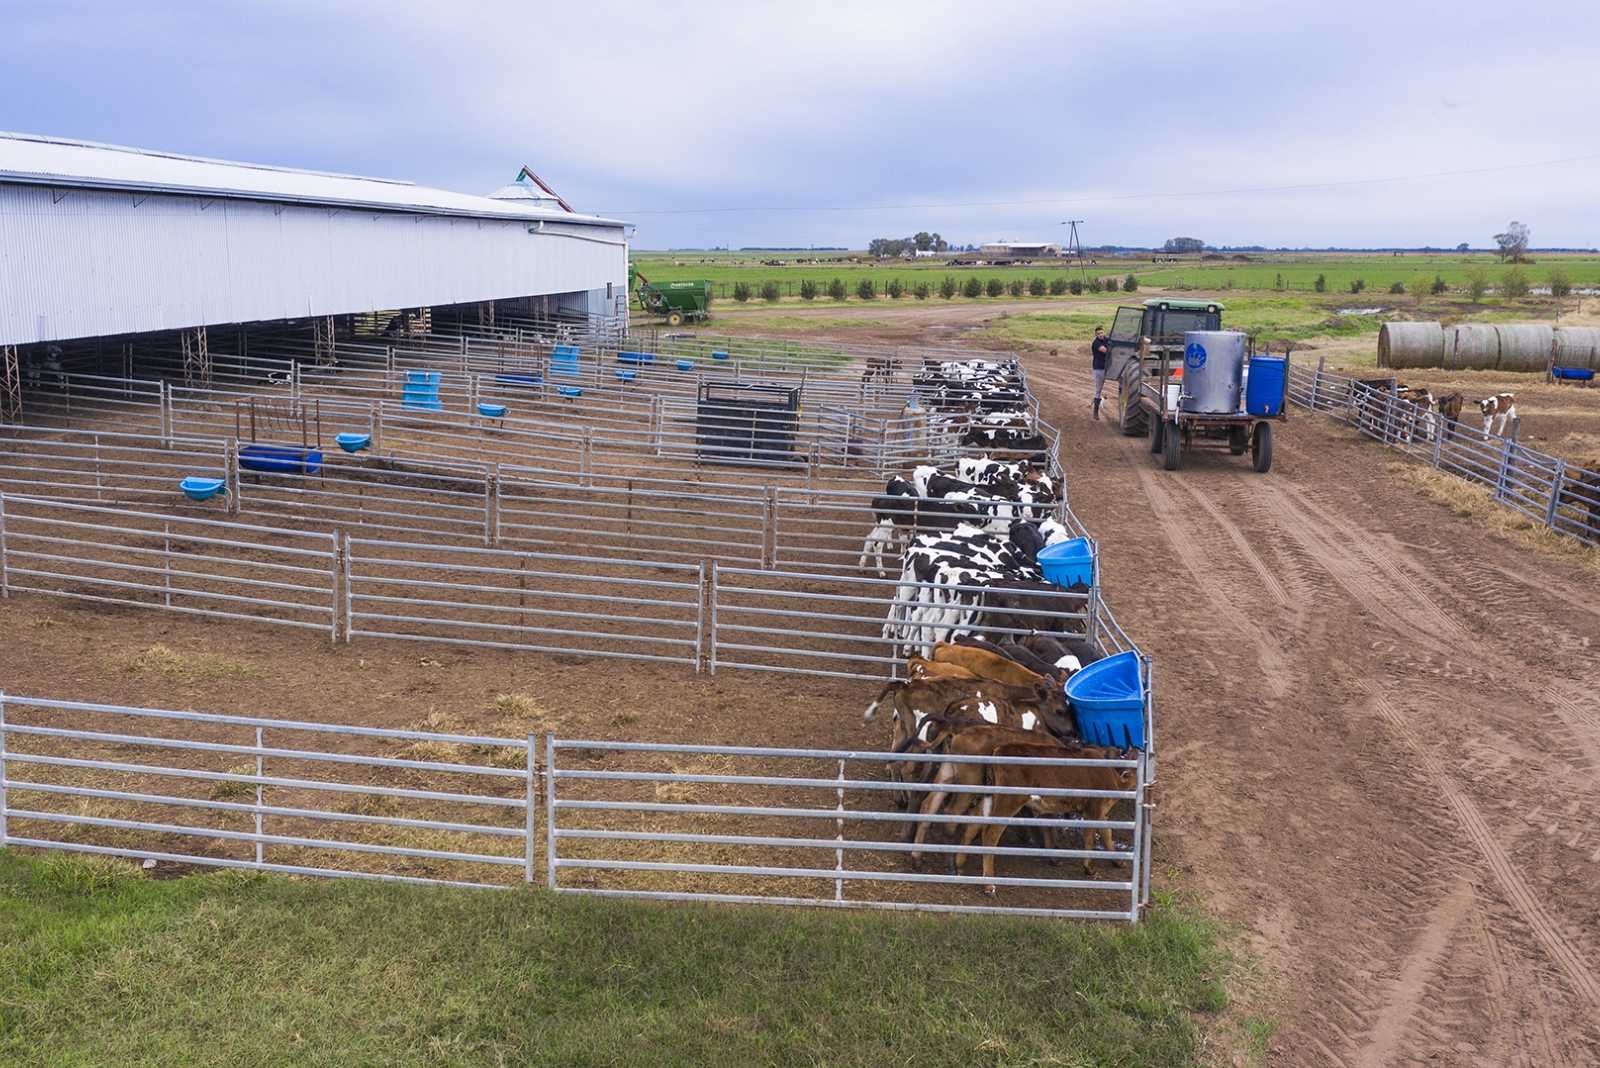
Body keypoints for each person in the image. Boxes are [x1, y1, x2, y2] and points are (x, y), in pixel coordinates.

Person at [1089, 326, 1110, 419]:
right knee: (1098, 390)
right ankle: (1095, 412)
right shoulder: (1096, 343)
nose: (1101, 335)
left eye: (1102, 333)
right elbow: (1105, 350)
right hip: (1099, 368)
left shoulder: (1106, 339)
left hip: (1108, 368)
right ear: (1096, 335)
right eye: (1098, 334)